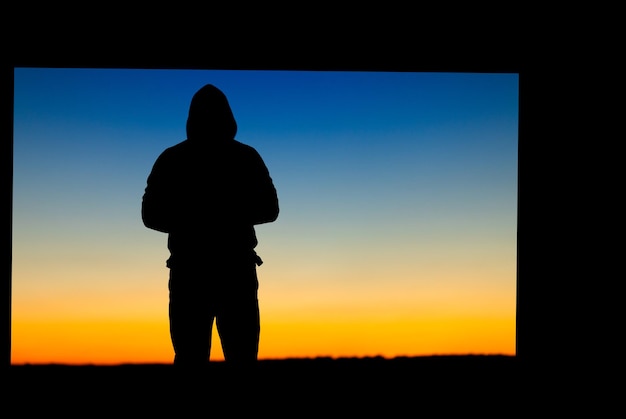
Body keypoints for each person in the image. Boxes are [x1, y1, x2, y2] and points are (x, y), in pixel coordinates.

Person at [141, 84, 279, 370]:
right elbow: (150, 214)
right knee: (197, 358)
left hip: (225, 272)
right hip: (197, 273)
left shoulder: (241, 157)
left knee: (234, 359)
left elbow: (270, 209)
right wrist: (211, 218)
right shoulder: (177, 158)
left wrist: (201, 217)